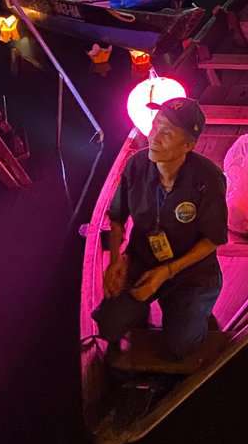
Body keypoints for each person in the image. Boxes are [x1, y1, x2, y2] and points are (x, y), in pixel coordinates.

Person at [93, 97, 227, 363]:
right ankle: (143, 311)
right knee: (109, 325)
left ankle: (198, 310)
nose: (154, 137)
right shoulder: (136, 165)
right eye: (155, 126)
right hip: (143, 261)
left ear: (187, 145)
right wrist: (116, 261)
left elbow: (213, 240)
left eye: (167, 133)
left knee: (181, 346)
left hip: (191, 272)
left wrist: (165, 273)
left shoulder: (208, 179)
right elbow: (117, 217)